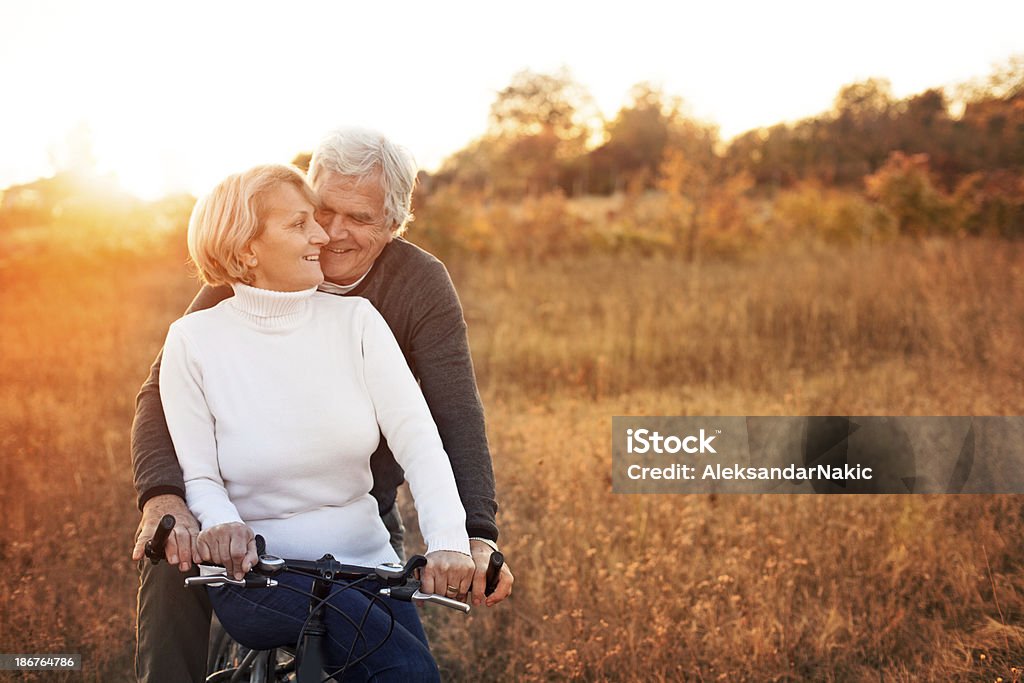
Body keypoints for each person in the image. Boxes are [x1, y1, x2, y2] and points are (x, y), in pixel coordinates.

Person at [131, 128, 513, 682]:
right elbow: (162, 395)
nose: (330, 233)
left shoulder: (409, 289)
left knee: (387, 638)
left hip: (359, 506)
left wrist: (471, 537)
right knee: (173, 554)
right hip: (236, 515)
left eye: (358, 218)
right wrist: (165, 498)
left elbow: (446, 418)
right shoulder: (243, 280)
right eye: (319, 210)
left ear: (393, 225)